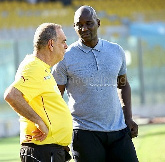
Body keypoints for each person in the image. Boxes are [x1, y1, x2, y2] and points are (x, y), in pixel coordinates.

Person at [52, 5, 139, 162]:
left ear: (98, 23)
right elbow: (55, 98)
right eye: (79, 25)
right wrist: (59, 132)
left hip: (119, 131)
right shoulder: (64, 58)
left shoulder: (116, 51)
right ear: (74, 27)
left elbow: (123, 85)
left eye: (89, 23)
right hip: (84, 133)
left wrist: (129, 118)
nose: (84, 28)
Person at [4, 23, 73, 162]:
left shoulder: (43, 68)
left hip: (49, 150)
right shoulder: (34, 66)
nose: (66, 46)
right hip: (42, 150)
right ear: (51, 44)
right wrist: (39, 122)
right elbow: (11, 95)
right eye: (63, 41)